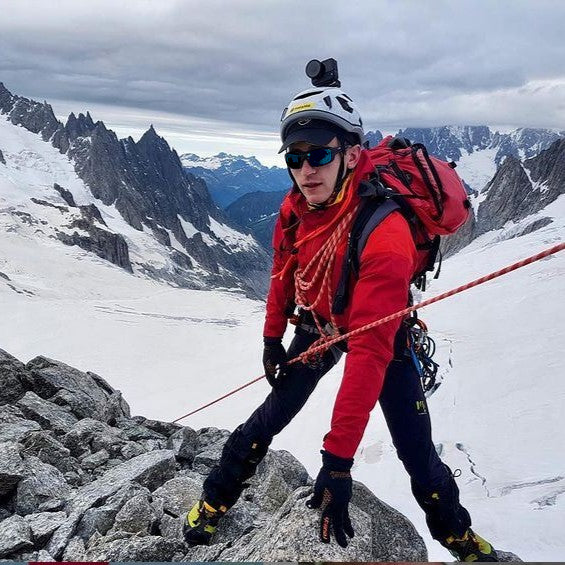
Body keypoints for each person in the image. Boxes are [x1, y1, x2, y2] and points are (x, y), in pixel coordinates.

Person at [183, 82, 499, 562]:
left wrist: (337, 464)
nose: (306, 169)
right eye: (295, 156)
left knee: (416, 453)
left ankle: (459, 538)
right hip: (319, 321)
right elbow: (283, 274)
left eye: (319, 155)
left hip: (381, 333)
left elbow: (370, 352)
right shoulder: (295, 207)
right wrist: (272, 339)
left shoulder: (386, 232)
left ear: (351, 156)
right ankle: (212, 503)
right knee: (268, 419)